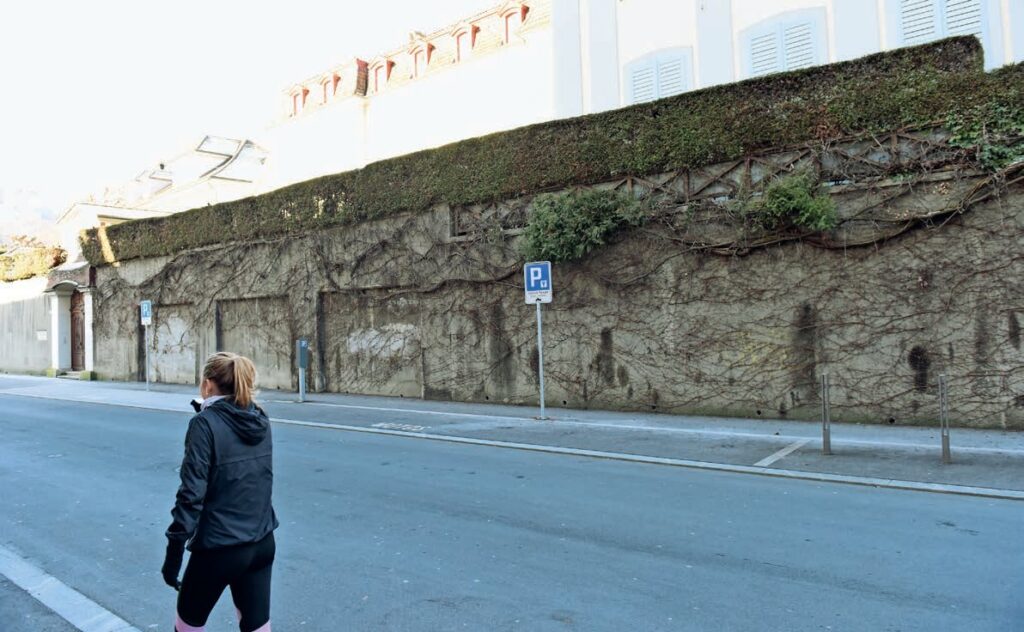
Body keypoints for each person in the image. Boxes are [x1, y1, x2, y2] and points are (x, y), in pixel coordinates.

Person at [162, 351, 279, 632]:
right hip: (261, 543)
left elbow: (191, 495)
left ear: (207, 385)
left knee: (188, 626)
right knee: (257, 627)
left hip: (219, 548)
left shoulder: (204, 424)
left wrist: (174, 554)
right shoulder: (259, 417)